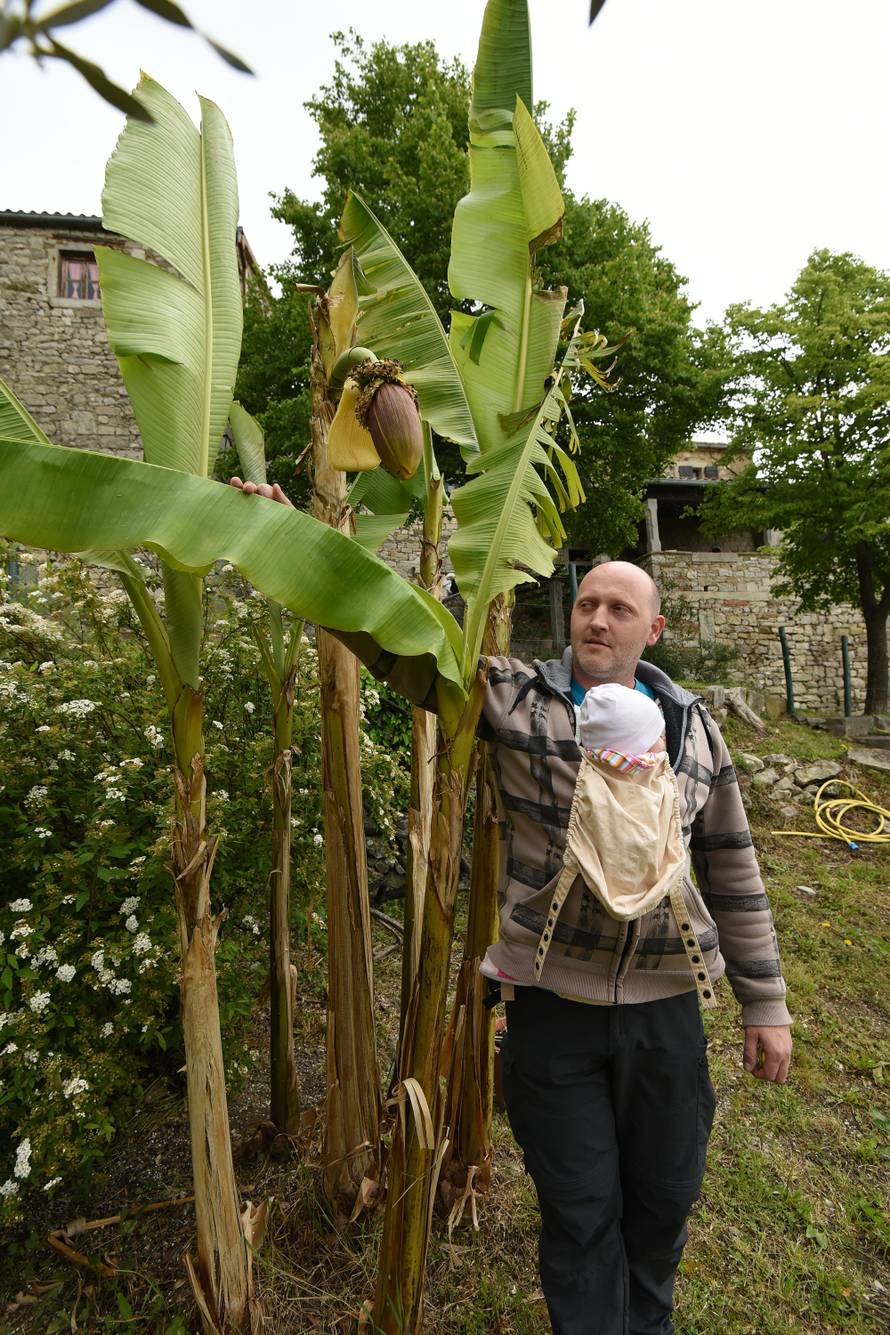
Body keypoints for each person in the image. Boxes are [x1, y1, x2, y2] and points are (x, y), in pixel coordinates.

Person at [229, 478, 792, 1335]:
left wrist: (766, 1003)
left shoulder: (692, 728)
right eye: (587, 604)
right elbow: (394, 639)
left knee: (664, 1201)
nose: (597, 620)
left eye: (618, 609)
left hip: (667, 1011)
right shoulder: (519, 700)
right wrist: (290, 538)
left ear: (653, 629)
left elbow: (732, 865)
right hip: (552, 1014)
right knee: (578, 1208)